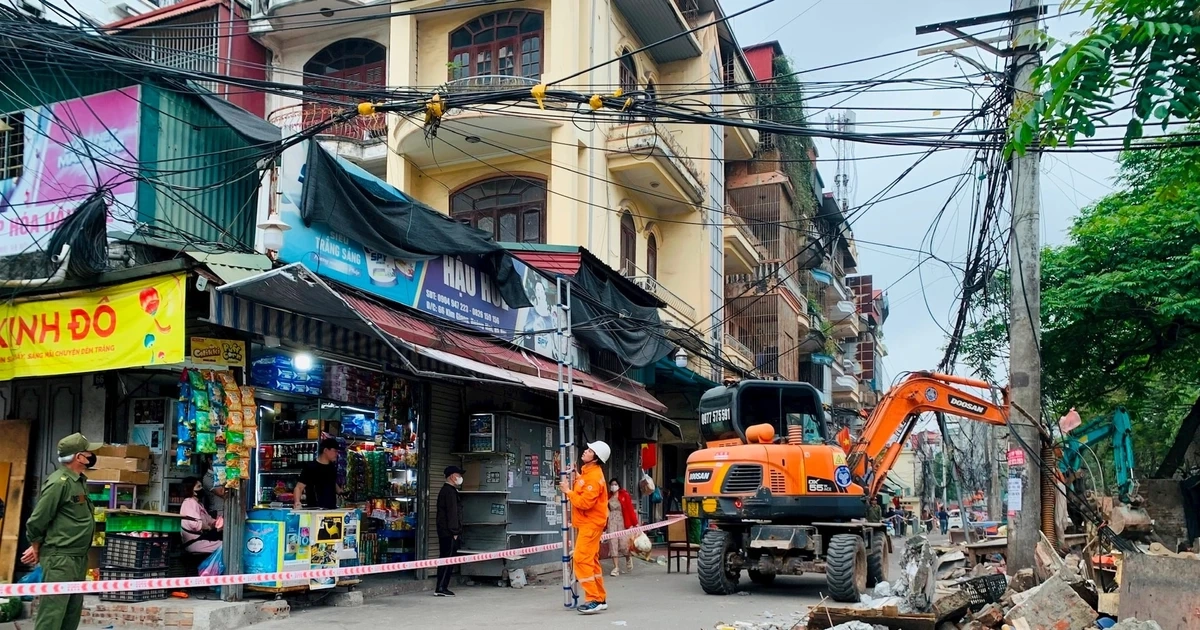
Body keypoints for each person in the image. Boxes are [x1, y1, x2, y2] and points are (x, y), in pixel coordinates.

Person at [23, 433, 101, 630]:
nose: (91, 455)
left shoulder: (78, 481)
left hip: (77, 557)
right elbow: (37, 520)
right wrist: (36, 545)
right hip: (61, 559)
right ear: (79, 457)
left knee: (70, 614)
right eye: (88, 452)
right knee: (52, 615)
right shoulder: (60, 483)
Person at [561, 440, 610, 615]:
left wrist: (568, 491)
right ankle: (600, 598)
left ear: (595, 458)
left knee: (581, 559)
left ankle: (593, 599)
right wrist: (575, 474)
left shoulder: (594, 478)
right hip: (588, 523)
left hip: (591, 524)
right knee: (592, 561)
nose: (585, 452)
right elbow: (583, 488)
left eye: (590, 451)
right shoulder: (588, 473)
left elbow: (584, 502)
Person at [435, 465, 464, 597]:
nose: (460, 478)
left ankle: (441, 586)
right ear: (453, 476)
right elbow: (452, 513)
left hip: (445, 531)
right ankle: (441, 587)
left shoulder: (447, 491)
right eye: (459, 475)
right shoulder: (449, 492)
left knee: (446, 558)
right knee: (447, 559)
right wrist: (455, 531)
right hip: (449, 532)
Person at [294, 438, 342, 510]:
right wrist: (297, 502)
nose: (337, 454)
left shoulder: (332, 467)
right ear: (325, 450)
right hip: (314, 509)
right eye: (335, 451)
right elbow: (299, 487)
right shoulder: (310, 467)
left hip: (331, 509)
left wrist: (340, 492)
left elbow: (331, 482)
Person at [180, 477, 223, 555]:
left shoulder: (198, 504)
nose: (202, 488)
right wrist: (208, 527)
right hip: (195, 543)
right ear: (192, 491)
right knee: (226, 546)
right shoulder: (189, 503)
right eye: (199, 487)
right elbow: (194, 523)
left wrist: (218, 523)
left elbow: (209, 520)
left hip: (201, 540)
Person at [605, 478, 637, 576]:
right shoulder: (608, 496)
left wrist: (635, 523)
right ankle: (616, 568)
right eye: (612, 484)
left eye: (615, 484)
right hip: (611, 521)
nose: (613, 486)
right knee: (613, 543)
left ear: (618, 485)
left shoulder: (624, 495)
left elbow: (630, 509)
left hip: (623, 521)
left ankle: (628, 557)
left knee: (623, 544)